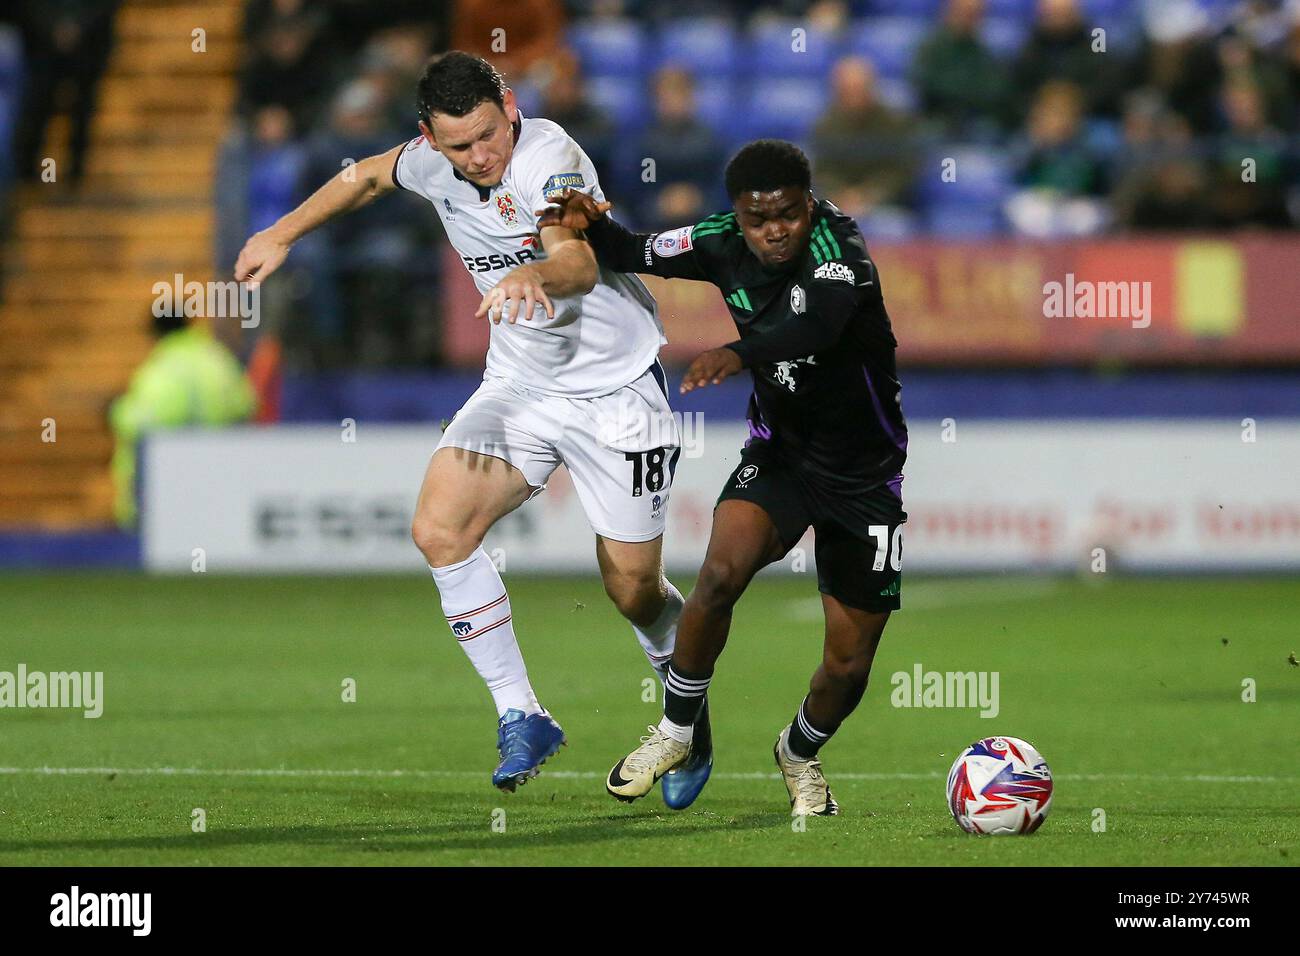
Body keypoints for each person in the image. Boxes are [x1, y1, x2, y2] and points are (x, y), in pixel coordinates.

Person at [233, 52, 701, 795]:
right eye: (461, 145)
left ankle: (686, 722)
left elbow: (577, 265)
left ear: (509, 107)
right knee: (439, 530)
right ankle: (523, 713)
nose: (481, 156)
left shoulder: (549, 159)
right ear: (431, 137)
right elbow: (363, 177)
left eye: (489, 134)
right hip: (519, 386)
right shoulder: (428, 162)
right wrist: (283, 234)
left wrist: (532, 274)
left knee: (634, 591)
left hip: (615, 391)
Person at [540, 140, 908, 815]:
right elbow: (630, 253)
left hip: (865, 476)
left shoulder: (840, 249)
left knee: (850, 663)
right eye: (757, 218)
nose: (775, 231)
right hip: (782, 456)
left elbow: (819, 327)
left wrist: (737, 352)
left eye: (789, 215)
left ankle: (799, 752)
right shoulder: (715, 238)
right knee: (717, 575)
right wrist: (588, 223)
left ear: (808, 204)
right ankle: (677, 731)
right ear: (737, 214)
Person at [109, 311, 256, 528]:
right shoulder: (218, 358)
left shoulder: (165, 367)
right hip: (223, 481)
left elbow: (149, 419)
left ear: (156, 333)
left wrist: (116, 411)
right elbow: (246, 403)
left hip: (168, 490)